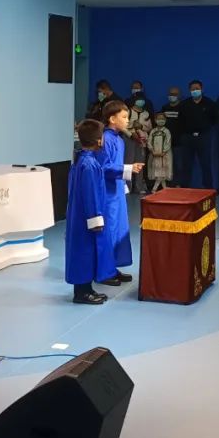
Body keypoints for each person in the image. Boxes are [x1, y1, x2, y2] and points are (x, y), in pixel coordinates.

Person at [65, 120, 116, 305]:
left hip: (79, 215)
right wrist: (95, 218)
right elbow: (91, 193)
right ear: (99, 140)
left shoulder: (82, 160)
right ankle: (81, 293)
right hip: (86, 217)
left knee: (86, 252)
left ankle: (87, 288)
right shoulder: (89, 164)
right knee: (85, 253)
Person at [96, 101, 144, 287]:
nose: (127, 121)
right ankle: (103, 271)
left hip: (117, 190)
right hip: (107, 193)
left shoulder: (120, 140)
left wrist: (124, 181)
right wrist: (128, 168)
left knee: (118, 230)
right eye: (124, 117)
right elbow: (104, 167)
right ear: (112, 119)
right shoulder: (106, 139)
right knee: (108, 231)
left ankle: (112, 266)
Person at [178, 80, 218, 189]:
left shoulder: (209, 103)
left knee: (206, 163)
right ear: (189, 90)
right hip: (188, 137)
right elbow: (180, 121)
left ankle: (208, 188)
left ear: (202, 89)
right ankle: (185, 187)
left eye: (197, 88)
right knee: (186, 164)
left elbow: (215, 119)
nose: (195, 91)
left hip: (203, 137)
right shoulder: (184, 104)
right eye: (193, 89)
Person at [126, 92, 153, 195]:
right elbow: (123, 126)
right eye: (138, 99)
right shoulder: (128, 111)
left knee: (140, 163)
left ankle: (138, 187)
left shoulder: (146, 113)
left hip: (142, 141)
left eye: (142, 99)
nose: (140, 101)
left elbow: (149, 127)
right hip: (129, 139)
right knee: (128, 162)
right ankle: (127, 187)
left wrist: (141, 127)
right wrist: (131, 133)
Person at [160, 86, 185, 186]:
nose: (172, 96)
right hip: (166, 142)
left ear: (179, 96)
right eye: (170, 94)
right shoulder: (165, 108)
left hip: (179, 141)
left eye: (174, 94)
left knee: (179, 165)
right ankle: (167, 185)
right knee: (166, 164)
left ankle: (178, 185)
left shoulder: (183, 108)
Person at [147, 113, 173, 192]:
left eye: (163, 119)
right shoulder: (153, 131)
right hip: (154, 154)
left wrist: (163, 152)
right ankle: (165, 189)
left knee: (163, 171)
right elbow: (149, 142)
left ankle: (154, 189)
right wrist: (152, 151)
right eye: (159, 119)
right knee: (158, 171)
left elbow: (168, 142)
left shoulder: (166, 131)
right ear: (155, 120)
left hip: (164, 155)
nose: (161, 120)